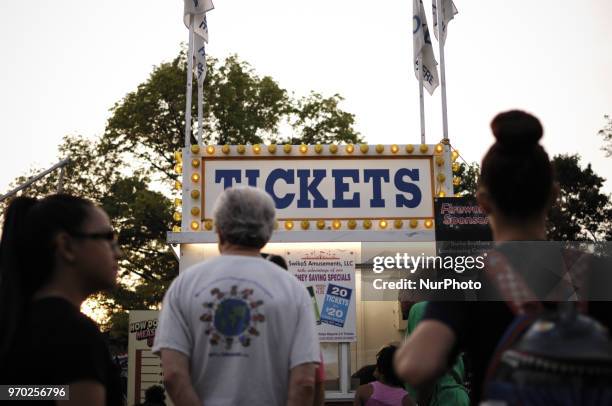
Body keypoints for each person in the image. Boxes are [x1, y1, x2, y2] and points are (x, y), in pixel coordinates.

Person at [394, 110, 612, 403]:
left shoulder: (470, 279)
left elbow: (416, 366)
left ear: (483, 203)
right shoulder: (600, 271)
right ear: (554, 196)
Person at [153, 186, 320, 406]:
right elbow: (305, 383)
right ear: (267, 232)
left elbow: (173, 376)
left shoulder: (184, 286)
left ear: (219, 229)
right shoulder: (294, 290)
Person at [0, 194, 124, 405]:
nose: (118, 253)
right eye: (108, 238)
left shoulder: (15, 325)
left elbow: (15, 392)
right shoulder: (74, 334)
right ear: (66, 247)